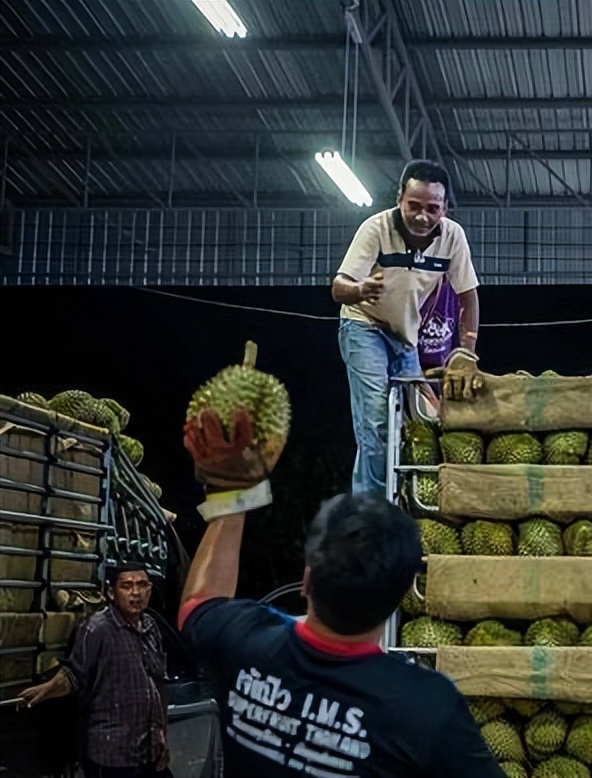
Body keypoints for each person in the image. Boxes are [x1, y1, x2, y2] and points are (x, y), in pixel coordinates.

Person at [175, 406, 504, 778]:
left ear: (306, 579)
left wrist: (235, 491)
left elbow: (197, 604)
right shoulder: (427, 709)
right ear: (398, 598)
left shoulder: (244, 644)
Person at [331, 159, 481, 497]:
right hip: (363, 326)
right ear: (399, 197)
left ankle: (408, 501)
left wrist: (466, 353)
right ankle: (371, 512)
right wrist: (359, 289)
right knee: (376, 420)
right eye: (414, 205)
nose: (422, 216)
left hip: (405, 337)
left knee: (421, 420)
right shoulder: (375, 228)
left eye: (432, 208)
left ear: (445, 208)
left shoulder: (453, 237)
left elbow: (468, 298)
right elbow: (338, 287)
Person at [18, 564, 172, 778]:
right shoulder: (97, 629)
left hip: (149, 750)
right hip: (112, 753)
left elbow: (157, 683)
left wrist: (162, 735)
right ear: (111, 592)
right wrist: (48, 688)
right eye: (127, 586)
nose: (136, 592)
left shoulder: (150, 626)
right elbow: (73, 675)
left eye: (142, 585)